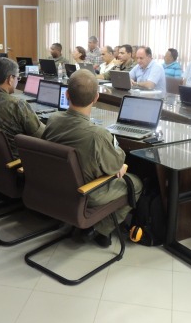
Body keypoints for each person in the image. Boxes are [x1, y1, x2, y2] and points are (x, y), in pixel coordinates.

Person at [42, 69, 143, 247]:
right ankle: (99, 229)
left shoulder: (53, 119)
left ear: (66, 94)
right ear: (96, 98)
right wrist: (118, 157)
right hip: (87, 193)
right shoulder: (98, 135)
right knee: (135, 184)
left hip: (54, 185)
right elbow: (116, 165)